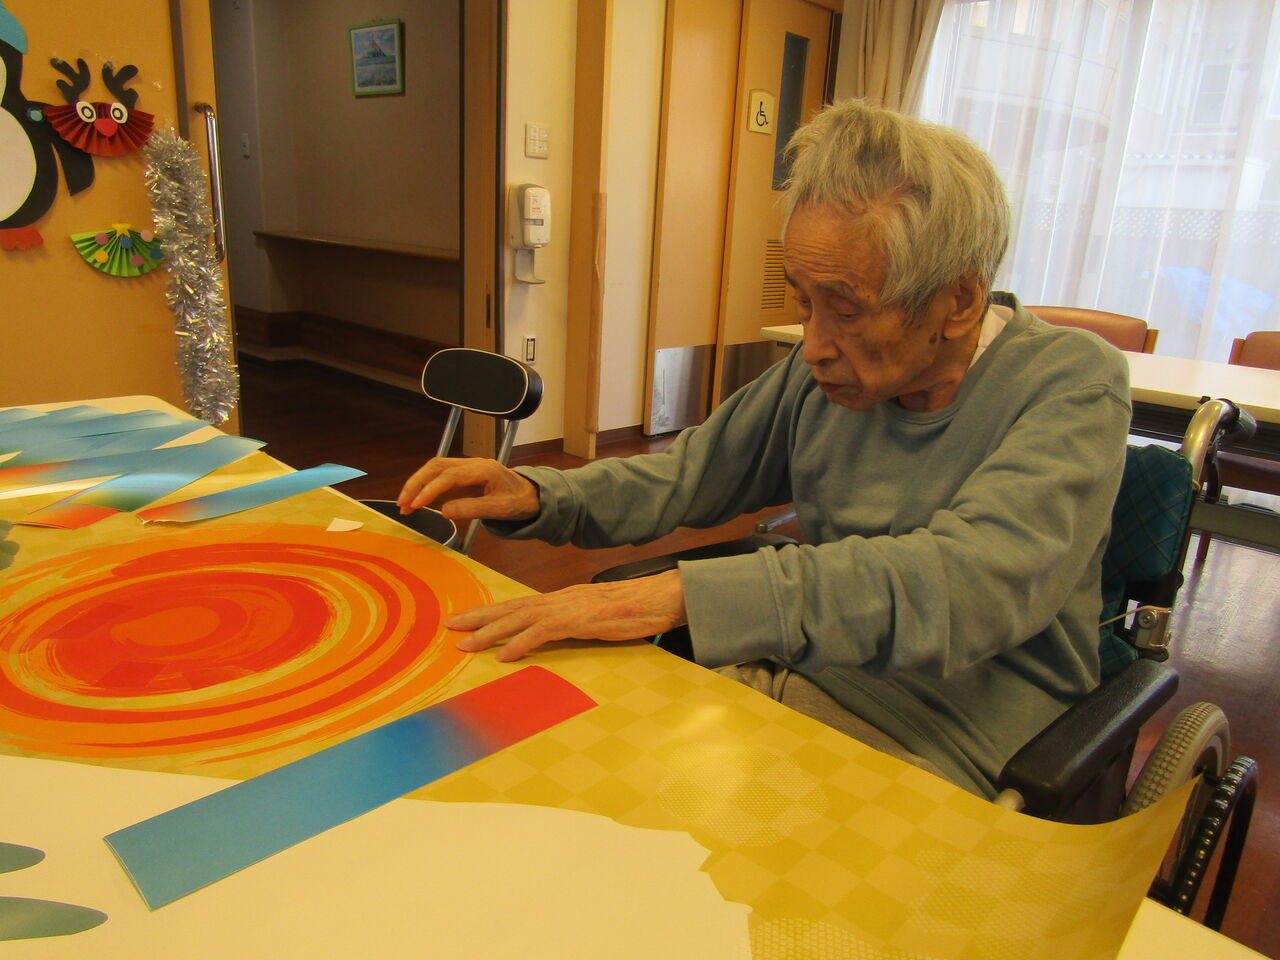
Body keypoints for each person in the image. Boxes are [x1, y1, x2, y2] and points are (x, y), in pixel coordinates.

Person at [398, 99, 1131, 798]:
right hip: (799, 680)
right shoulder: (823, 378)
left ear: (960, 302)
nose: (813, 347)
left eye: (845, 310)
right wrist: (539, 494)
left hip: (955, 741)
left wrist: (683, 594)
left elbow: (968, 587)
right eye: (803, 302)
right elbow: (687, 475)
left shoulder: (1071, 381)